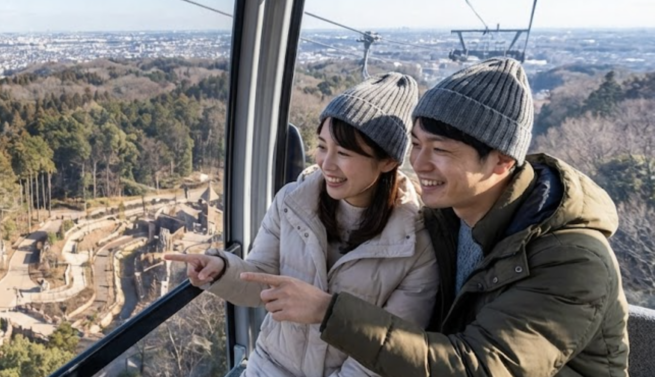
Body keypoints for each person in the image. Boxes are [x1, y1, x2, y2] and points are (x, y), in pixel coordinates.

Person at [246, 58, 629, 376]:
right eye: (415, 144)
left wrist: (328, 311)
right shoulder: (440, 221)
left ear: (501, 161)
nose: (419, 162)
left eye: (440, 149)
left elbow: (478, 367)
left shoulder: (573, 260)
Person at [167, 72, 438, 377]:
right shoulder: (292, 203)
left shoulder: (415, 246)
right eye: (322, 146)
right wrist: (220, 270)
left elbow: (382, 357)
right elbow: (261, 282)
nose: (326, 164)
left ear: (388, 161)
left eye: (344, 153)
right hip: (267, 366)